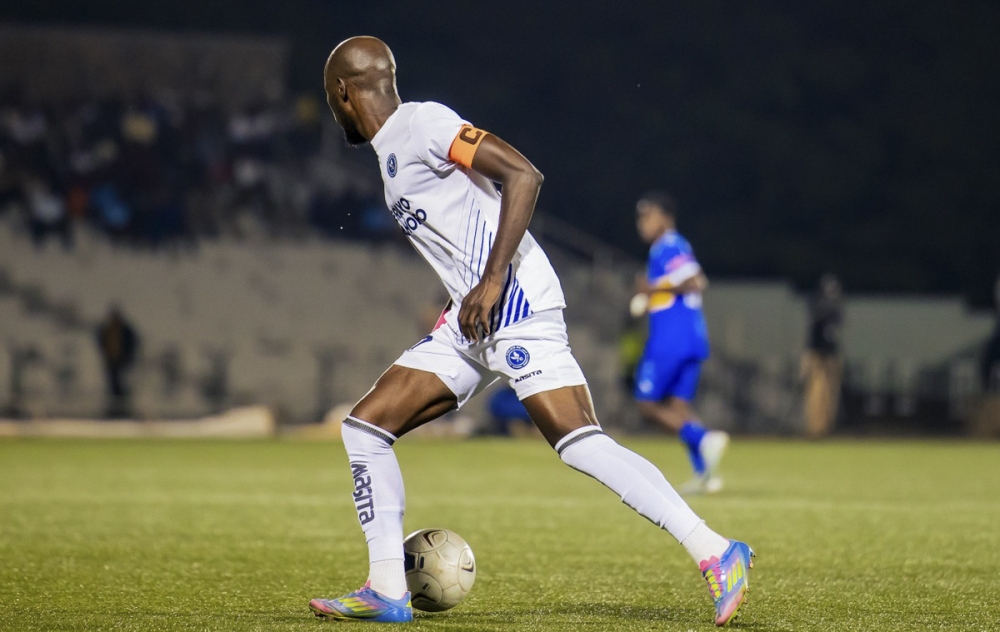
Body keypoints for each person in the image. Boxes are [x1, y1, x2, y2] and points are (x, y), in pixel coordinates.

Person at [306, 37, 754, 627]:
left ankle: (718, 551)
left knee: (580, 443)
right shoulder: (393, 153)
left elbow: (523, 175)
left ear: (342, 92)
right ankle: (387, 588)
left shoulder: (423, 124)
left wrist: (491, 281)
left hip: (514, 303)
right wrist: (463, 295)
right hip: (470, 323)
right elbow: (464, 230)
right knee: (365, 429)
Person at [630, 192, 729, 494]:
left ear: (666, 218)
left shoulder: (669, 244)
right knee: (677, 406)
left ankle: (703, 439)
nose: (643, 223)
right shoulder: (668, 247)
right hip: (689, 336)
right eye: (640, 217)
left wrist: (651, 288)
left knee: (646, 404)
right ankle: (706, 476)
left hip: (673, 338)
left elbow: (695, 279)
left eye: (649, 216)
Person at [802, 274, 844, 438]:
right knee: (815, 392)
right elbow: (815, 316)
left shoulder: (837, 307)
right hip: (816, 353)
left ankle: (825, 428)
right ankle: (814, 428)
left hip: (831, 354)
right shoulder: (816, 303)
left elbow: (840, 322)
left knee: (830, 395)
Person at [96, 306, 138, 417]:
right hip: (112, 362)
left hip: (122, 362)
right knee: (113, 387)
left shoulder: (124, 331)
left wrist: (126, 357)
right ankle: (114, 411)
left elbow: (131, 344)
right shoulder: (108, 329)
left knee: (122, 387)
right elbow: (103, 342)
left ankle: (123, 411)